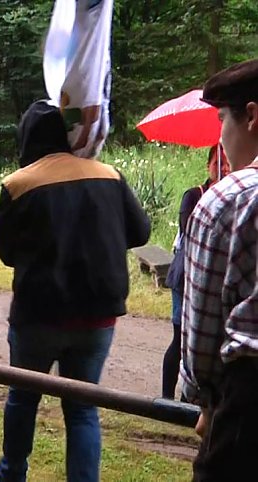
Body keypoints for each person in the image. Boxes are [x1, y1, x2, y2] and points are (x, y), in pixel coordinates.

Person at [0, 101, 151, 482]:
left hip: (38, 316)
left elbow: (7, 253)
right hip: (96, 316)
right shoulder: (109, 175)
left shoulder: (18, 184)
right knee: (82, 409)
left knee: (23, 398)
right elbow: (140, 232)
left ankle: (11, 474)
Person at [180, 58, 258, 482]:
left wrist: (205, 401)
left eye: (221, 119)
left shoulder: (228, 201)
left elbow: (202, 329)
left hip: (246, 413)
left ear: (251, 115)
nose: (221, 136)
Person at [161, 145, 230, 399]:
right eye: (216, 162)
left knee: (203, 342)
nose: (222, 167)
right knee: (180, 337)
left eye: (225, 162)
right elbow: (189, 231)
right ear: (208, 166)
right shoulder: (193, 195)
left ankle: (187, 399)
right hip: (185, 276)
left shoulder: (231, 199)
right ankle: (167, 398)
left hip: (211, 280)